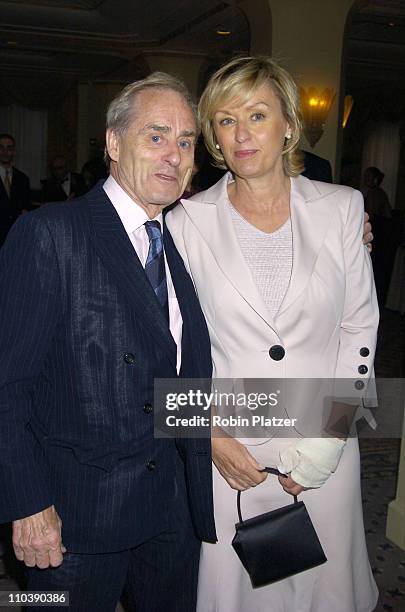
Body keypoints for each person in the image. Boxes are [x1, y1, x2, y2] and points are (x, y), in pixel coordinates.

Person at [166, 56, 379, 612]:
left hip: (323, 446)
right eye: (226, 119)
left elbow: (359, 328)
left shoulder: (342, 209)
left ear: (289, 123)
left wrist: (330, 437)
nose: (241, 134)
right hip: (231, 454)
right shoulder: (186, 223)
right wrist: (209, 438)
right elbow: (171, 346)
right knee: (233, 593)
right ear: (212, 132)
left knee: (323, 593)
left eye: (257, 115)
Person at [0, 72, 216, 612]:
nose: (174, 154)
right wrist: (27, 503)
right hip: (72, 521)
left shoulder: (184, 240)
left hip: (170, 512)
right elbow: (7, 386)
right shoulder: (50, 233)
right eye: (156, 135)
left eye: (186, 141)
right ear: (113, 144)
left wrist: (342, 225)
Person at [362, 166, 392, 304]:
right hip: (380, 233)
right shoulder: (374, 192)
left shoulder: (375, 193)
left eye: (368, 176)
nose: (365, 179)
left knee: (374, 268)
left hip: (379, 234)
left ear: (375, 179)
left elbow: (372, 214)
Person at [0, 133, 31, 247]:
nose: (5, 151)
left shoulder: (23, 179)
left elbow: (26, 206)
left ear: (14, 151)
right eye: (1, 147)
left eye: (9, 148)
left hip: (16, 237)